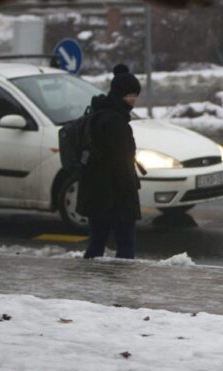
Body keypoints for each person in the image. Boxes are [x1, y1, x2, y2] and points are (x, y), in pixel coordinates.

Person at [77, 64, 142, 259]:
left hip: (97, 191)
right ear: (118, 94)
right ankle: (121, 284)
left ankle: (88, 280)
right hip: (115, 195)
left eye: (135, 94)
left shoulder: (99, 113)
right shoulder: (116, 122)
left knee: (96, 242)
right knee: (126, 246)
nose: (133, 99)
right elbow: (120, 161)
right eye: (129, 95)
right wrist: (128, 191)